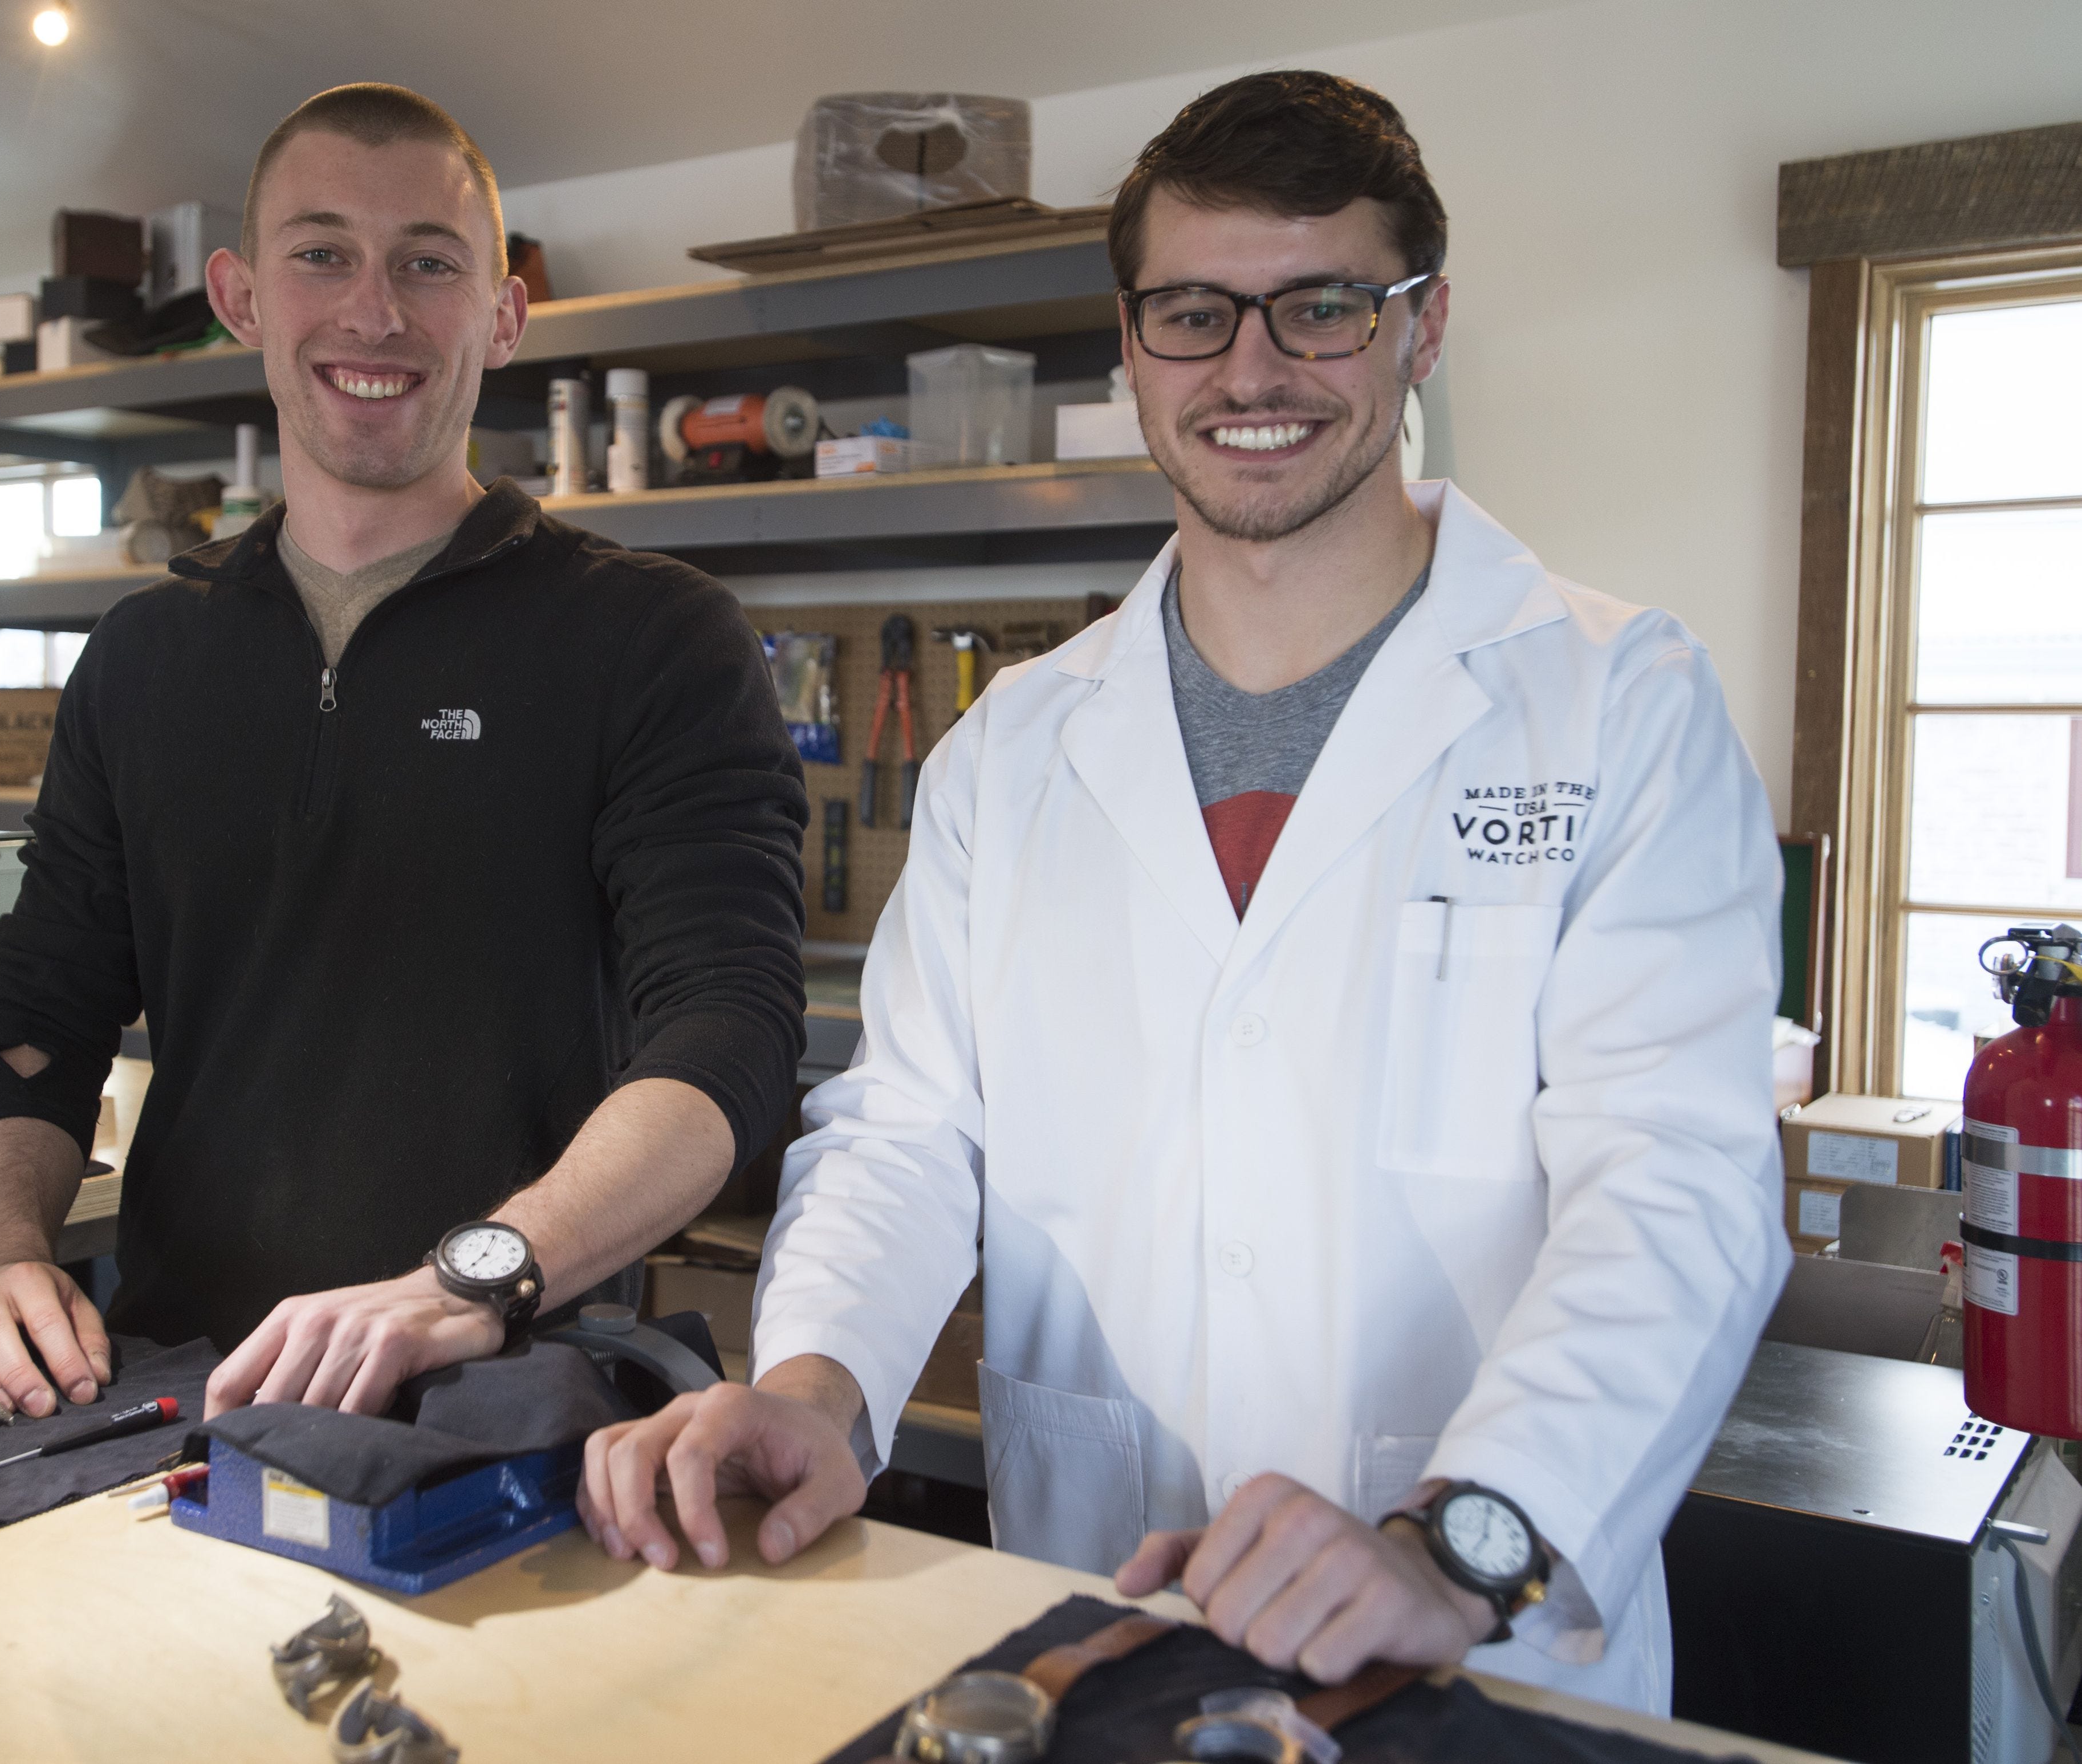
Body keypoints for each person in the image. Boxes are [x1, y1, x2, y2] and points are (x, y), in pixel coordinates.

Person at [575, 70, 1787, 1714]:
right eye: (1194, 313)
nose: (1253, 369)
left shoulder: (1613, 697)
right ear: (1129, 342)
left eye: (1325, 308)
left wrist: (1464, 1537)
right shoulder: (1014, 746)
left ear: (1421, 329)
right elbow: (909, 1128)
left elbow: (1677, 1179)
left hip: (1472, 1643)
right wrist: (812, 1380)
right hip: (1089, 1608)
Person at [0, 84, 807, 1424]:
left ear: (502, 315)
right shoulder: (145, 658)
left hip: (506, 1400)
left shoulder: (653, 639)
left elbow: (728, 1034)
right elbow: (38, 1016)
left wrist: (474, 1278)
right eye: (320, 252)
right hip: (168, 1396)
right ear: (242, 296)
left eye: (428, 263)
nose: (373, 312)